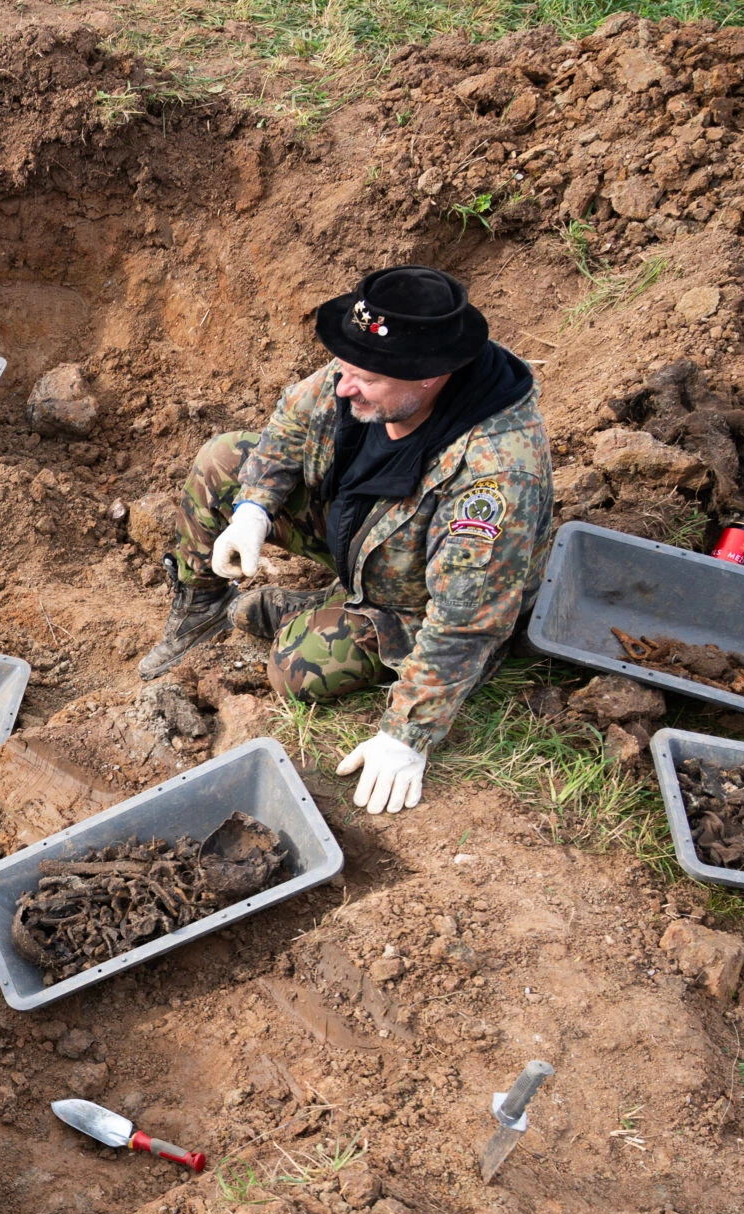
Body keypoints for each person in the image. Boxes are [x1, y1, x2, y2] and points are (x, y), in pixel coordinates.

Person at [139, 265, 553, 815]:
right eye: (345, 366)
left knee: (295, 668)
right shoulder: (371, 371)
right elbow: (291, 422)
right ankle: (202, 610)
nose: (343, 386)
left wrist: (407, 737)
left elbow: (468, 618)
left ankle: (340, 610)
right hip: (364, 531)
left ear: (429, 377)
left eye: (365, 379)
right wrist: (253, 512)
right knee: (223, 461)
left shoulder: (495, 471)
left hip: (419, 598)